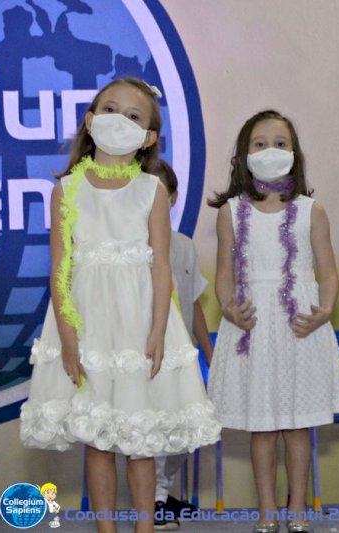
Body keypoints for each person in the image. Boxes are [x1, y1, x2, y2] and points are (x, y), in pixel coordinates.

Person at [19, 78, 221, 533]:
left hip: (140, 324)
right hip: (89, 326)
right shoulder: (66, 190)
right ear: (90, 121)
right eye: (110, 109)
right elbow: (60, 269)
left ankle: (144, 527)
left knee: (141, 438)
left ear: (149, 137)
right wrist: (69, 337)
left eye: (134, 116)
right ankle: (106, 528)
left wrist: (157, 330)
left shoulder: (151, 191)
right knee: (99, 438)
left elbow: (162, 267)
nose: (119, 121)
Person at [206, 110, 339, 533]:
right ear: (244, 156)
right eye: (260, 143)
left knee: (298, 424)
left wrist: (324, 310)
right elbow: (224, 275)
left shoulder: (311, 211)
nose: (271, 151)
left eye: (281, 143)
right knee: (263, 426)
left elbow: (329, 270)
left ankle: (297, 507)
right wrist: (229, 307)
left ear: (295, 153)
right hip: (252, 327)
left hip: (299, 325)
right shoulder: (230, 212)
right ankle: (267, 509)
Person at [149, 160, 216, 530]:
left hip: (183, 356)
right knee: (154, 428)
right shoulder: (132, 247)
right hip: (147, 355)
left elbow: (192, 302)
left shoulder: (184, 246)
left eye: (162, 192)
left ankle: (161, 491)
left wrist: (209, 352)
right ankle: (155, 499)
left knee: (187, 429)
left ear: (173, 198)